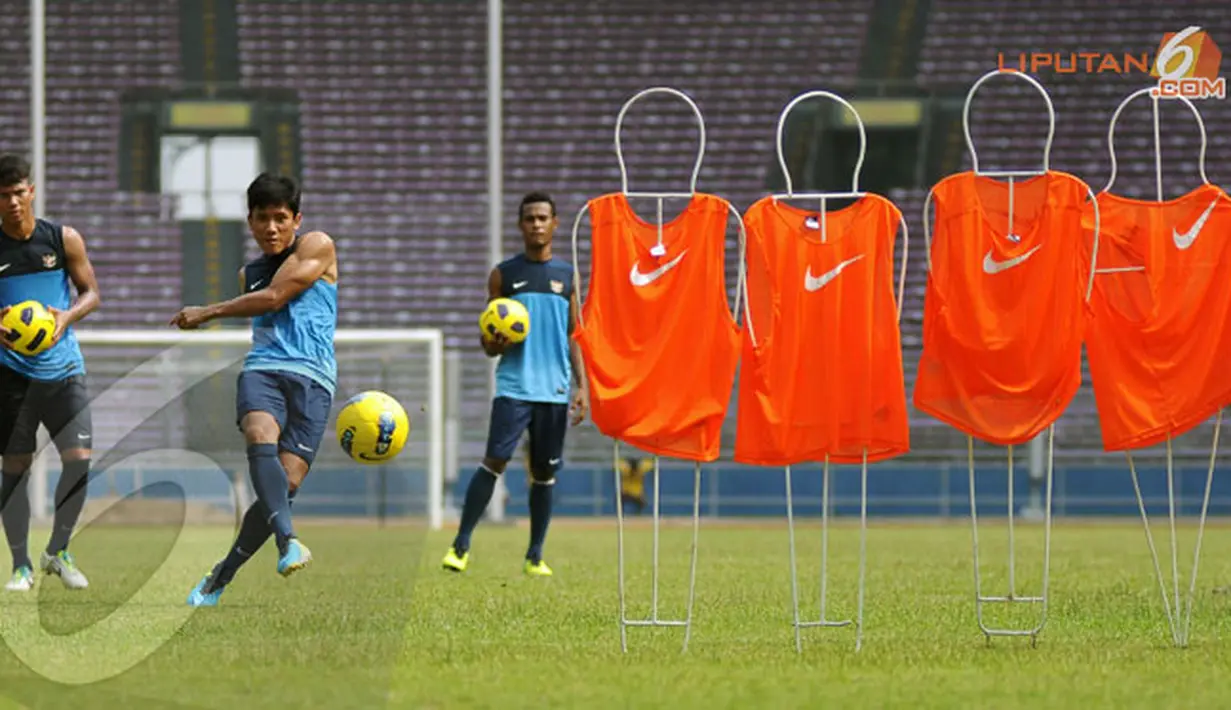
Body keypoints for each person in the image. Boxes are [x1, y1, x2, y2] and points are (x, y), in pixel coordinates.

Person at [170, 173, 338, 607]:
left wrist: (208, 311)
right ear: (250, 221)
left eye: (280, 218)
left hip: (314, 379)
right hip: (263, 370)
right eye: (262, 218)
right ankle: (289, 541)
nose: (272, 228)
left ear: (297, 219)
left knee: (284, 485)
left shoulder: (317, 245)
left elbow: (277, 297)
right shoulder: (248, 273)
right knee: (258, 433)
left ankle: (221, 575)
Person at [442, 191, 588, 577]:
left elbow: (574, 335)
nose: (537, 224)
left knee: (544, 474)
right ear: (520, 225)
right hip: (514, 388)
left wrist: (582, 386)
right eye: (530, 219)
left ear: (554, 223)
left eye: (543, 218)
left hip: (554, 391)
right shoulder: (503, 275)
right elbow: (488, 344)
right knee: (495, 462)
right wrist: (496, 341)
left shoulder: (567, 276)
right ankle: (460, 546)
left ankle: (535, 556)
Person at [0, 154, 101, 592]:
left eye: (19, 192)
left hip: (64, 371)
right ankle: (20, 565)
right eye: (3, 196)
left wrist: (66, 317)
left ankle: (57, 551)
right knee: (15, 468)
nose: (13, 202)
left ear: (32, 191)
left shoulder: (62, 239)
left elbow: (91, 293)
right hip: (11, 376)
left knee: (79, 463)